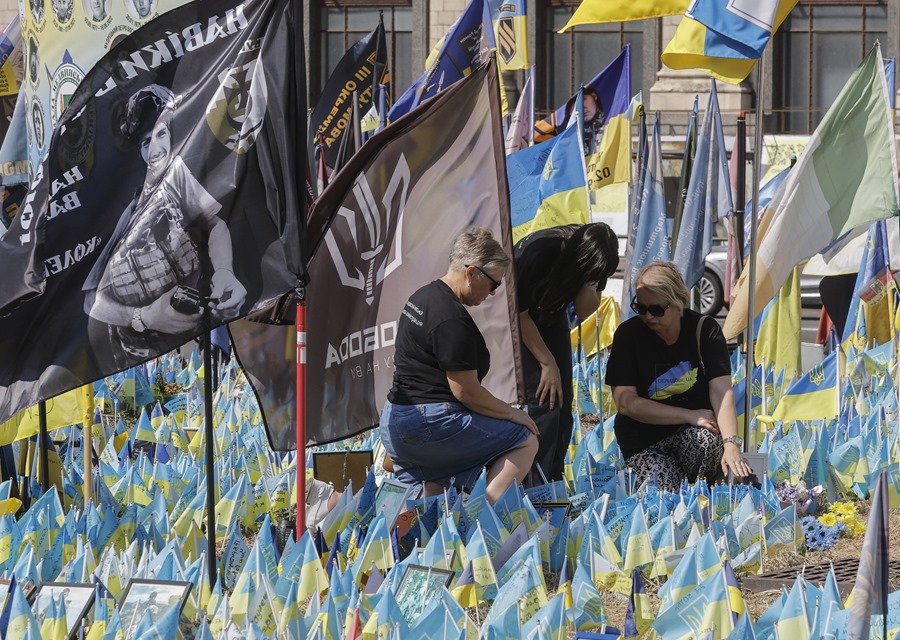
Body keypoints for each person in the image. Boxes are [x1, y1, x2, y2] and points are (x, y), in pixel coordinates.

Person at [84, 84, 246, 370]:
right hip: (137, 367)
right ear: (139, 152)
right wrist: (143, 316)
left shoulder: (179, 179)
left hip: (193, 348)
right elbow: (92, 302)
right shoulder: (130, 214)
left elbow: (215, 225)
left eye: (161, 134)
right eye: (147, 142)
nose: (157, 148)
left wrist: (224, 271)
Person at [380, 228, 539, 504]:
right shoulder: (450, 317)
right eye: (494, 284)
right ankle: (480, 520)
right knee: (526, 438)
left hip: (397, 419)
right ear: (472, 272)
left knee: (433, 505)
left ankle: (425, 539)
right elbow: (466, 392)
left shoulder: (423, 296)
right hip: (430, 422)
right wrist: (513, 414)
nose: (492, 294)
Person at [605, 261, 751, 487]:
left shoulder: (704, 330)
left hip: (691, 435)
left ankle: (702, 493)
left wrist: (731, 444)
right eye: (640, 308)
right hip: (643, 441)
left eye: (656, 309)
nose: (647, 316)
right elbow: (626, 403)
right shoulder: (628, 335)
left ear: (678, 303)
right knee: (663, 490)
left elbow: (721, 390)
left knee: (708, 441)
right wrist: (687, 415)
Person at [515, 223, 618, 484]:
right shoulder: (540, 252)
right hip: (518, 320)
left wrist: (588, 282)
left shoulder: (598, 257)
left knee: (562, 401)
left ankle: (552, 481)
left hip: (550, 315)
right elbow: (519, 314)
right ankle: (533, 487)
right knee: (544, 400)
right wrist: (546, 363)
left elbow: (585, 312)